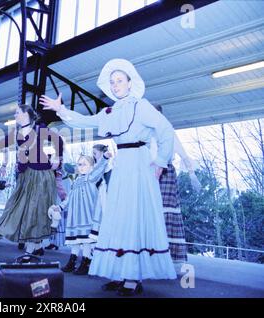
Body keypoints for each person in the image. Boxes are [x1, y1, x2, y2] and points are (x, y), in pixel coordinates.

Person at [40, 58, 176, 296]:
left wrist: (160, 162)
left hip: (139, 164)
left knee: (133, 216)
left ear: (130, 82)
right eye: (112, 82)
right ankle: (121, 273)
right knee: (118, 217)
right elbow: (86, 121)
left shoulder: (141, 106)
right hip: (122, 164)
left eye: (119, 81)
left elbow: (166, 131)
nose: (115, 86)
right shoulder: (110, 111)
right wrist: (61, 109)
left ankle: (133, 277)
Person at [0, 104, 64, 260]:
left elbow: (58, 140)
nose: (15, 116)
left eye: (17, 113)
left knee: (35, 209)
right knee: (18, 206)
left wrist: (58, 158)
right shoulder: (16, 133)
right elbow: (0, 144)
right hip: (25, 176)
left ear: (26, 114)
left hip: (41, 175)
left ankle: (31, 249)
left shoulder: (39, 129)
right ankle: (36, 247)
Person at [152, 106, 201, 264]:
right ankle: (149, 254)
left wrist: (192, 175)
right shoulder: (145, 132)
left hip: (165, 173)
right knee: (149, 212)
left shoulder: (167, 130)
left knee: (166, 213)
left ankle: (167, 255)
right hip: (148, 173)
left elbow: (182, 153)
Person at [50, 150, 111, 275]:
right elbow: (69, 198)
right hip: (75, 217)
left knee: (87, 240)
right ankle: (72, 261)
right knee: (75, 240)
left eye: (84, 164)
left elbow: (99, 168)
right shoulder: (76, 181)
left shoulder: (92, 177)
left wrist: (104, 158)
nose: (81, 167)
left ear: (91, 166)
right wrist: (60, 207)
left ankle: (86, 262)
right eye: (79, 164)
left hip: (87, 216)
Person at [90, 144, 113, 240]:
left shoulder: (107, 164)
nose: (93, 155)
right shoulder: (98, 164)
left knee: (104, 214)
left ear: (102, 152)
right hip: (98, 194)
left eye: (95, 153)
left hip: (104, 193)